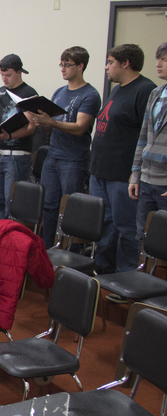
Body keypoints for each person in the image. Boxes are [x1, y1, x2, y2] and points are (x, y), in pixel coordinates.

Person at [89, 44, 156, 277]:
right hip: (101, 170)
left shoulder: (145, 90)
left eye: (110, 62)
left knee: (126, 227)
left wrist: (135, 173)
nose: (106, 67)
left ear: (125, 63)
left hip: (122, 174)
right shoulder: (117, 89)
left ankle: (127, 275)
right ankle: (103, 268)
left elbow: (148, 135)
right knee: (104, 223)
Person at [31, 46, 101, 248]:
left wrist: (51, 123)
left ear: (80, 66)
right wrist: (41, 122)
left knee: (70, 208)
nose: (62, 69)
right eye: (61, 64)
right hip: (53, 155)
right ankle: (47, 249)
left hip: (73, 159)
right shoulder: (59, 92)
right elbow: (52, 124)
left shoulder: (90, 95)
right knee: (49, 206)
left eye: (67, 65)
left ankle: (72, 251)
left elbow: (80, 128)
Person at [0, 54, 38, 220]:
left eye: (8, 75)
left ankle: (10, 239)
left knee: (12, 202)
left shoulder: (29, 93)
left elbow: (30, 126)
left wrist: (9, 136)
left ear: (18, 72)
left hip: (16, 155)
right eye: (2, 75)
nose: (4, 79)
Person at [129, 42, 167, 253]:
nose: (158, 64)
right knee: (142, 234)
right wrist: (136, 174)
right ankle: (142, 277)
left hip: (165, 182)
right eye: (158, 58)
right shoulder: (156, 94)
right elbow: (143, 137)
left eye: (164, 59)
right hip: (146, 179)